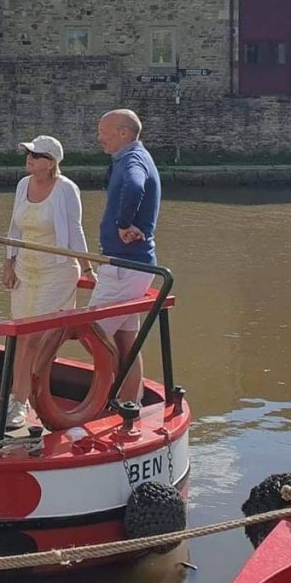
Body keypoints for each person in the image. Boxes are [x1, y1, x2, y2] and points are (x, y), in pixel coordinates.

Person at [1, 135, 93, 430]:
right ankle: (17, 397)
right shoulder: (21, 185)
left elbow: (75, 228)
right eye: (28, 153)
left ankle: (22, 399)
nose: (29, 158)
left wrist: (88, 267)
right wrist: (9, 261)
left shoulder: (66, 189)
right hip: (27, 268)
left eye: (36, 155)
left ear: (51, 162)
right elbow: (15, 226)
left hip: (56, 270)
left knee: (35, 338)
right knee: (20, 335)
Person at [91, 108, 161, 402]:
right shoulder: (133, 157)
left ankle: (100, 400)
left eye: (103, 133)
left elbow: (134, 184)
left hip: (125, 266)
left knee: (91, 332)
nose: (99, 139)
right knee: (124, 338)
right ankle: (129, 401)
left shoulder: (133, 160)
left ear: (123, 132)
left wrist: (122, 224)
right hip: (133, 265)